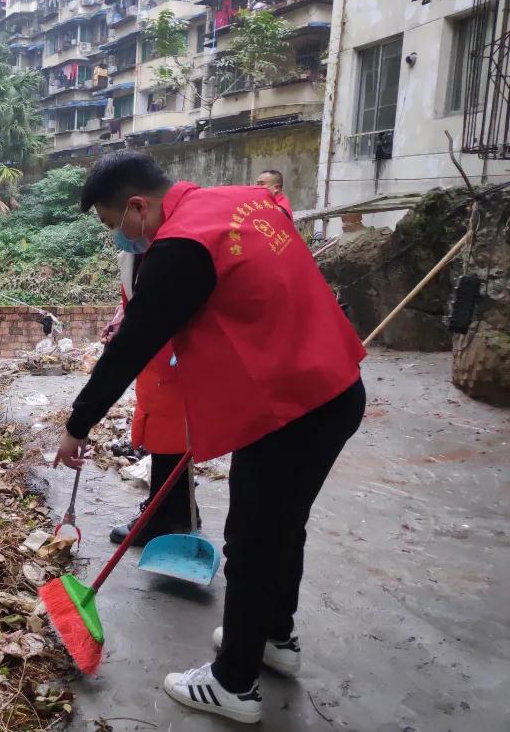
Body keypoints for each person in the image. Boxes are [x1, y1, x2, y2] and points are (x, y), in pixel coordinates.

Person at [54, 151, 365, 724]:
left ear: (138, 207)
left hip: (291, 408)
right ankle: (274, 636)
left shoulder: (179, 248)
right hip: (334, 388)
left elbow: (134, 346)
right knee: (281, 525)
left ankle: (233, 683)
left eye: (114, 225)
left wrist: (78, 424)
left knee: (250, 539)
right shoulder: (240, 202)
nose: (120, 240)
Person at [102, 233, 197, 546]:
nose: (114, 231)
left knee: (170, 431)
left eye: (113, 221)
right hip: (153, 352)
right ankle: (181, 509)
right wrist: (121, 322)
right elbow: (132, 296)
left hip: (175, 349)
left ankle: (159, 517)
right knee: (161, 428)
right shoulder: (135, 251)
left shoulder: (175, 245)